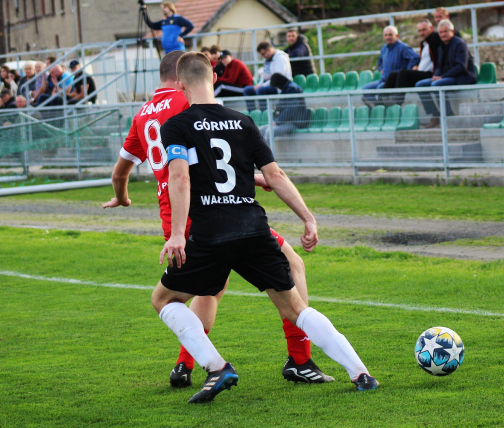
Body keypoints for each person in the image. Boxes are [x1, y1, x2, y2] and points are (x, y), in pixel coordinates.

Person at [154, 51, 377, 403]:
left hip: (211, 233)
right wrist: (307, 217)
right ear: (214, 77)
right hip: (253, 227)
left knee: (164, 298)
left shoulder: (177, 126)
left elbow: (180, 177)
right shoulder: (243, 121)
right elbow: (275, 176)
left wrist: (179, 233)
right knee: (295, 308)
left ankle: (216, 366)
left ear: (180, 85)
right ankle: (361, 372)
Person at [103, 50, 333, 388]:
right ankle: (299, 360)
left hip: (173, 216)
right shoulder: (189, 105)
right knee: (292, 264)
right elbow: (216, 157)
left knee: (209, 290)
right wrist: (255, 178)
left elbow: (120, 171)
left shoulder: (142, 115)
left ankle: (187, 365)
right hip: (211, 209)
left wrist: (122, 198)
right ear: (189, 79)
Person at [416, 20, 477, 128]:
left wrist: (442, 77)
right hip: (444, 77)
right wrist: (437, 75)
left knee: (436, 85)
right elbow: (439, 65)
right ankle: (435, 115)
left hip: (460, 77)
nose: (443, 34)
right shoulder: (441, 46)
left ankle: (449, 115)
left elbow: (461, 67)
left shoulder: (459, 44)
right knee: (420, 85)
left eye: (445, 31)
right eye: (440, 32)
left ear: (452, 31)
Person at [380, 20, 441, 106]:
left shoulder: (435, 39)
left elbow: (438, 59)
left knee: (403, 73)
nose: (422, 33)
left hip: (431, 73)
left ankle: (398, 100)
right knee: (393, 74)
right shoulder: (424, 43)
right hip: (421, 71)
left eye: (424, 30)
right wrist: (416, 65)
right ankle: (381, 99)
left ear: (431, 28)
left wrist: (439, 73)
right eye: (419, 31)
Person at [362, 26, 419, 107]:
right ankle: (379, 107)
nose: (388, 37)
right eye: (385, 35)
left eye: (390, 35)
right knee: (366, 89)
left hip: (394, 81)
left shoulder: (403, 47)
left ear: (397, 36)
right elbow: (380, 60)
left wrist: (407, 72)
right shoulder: (384, 48)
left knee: (380, 89)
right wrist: (380, 68)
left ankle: (383, 110)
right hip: (383, 79)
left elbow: (415, 57)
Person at [243, 42, 292, 111]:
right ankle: (252, 114)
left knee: (260, 90)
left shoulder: (280, 58)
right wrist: (260, 84)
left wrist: (262, 85)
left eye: (263, 54)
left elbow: (278, 78)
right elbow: (264, 74)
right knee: (247, 90)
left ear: (269, 50)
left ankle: (264, 114)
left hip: (279, 87)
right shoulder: (267, 59)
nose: (263, 56)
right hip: (267, 84)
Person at [259, 73, 309, 142]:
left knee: (270, 131)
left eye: (276, 86)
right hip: (285, 121)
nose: (276, 88)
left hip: (295, 122)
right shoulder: (286, 89)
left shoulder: (292, 89)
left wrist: (278, 121)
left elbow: (291, 109)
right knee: (259, 130)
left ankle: (266, 153)